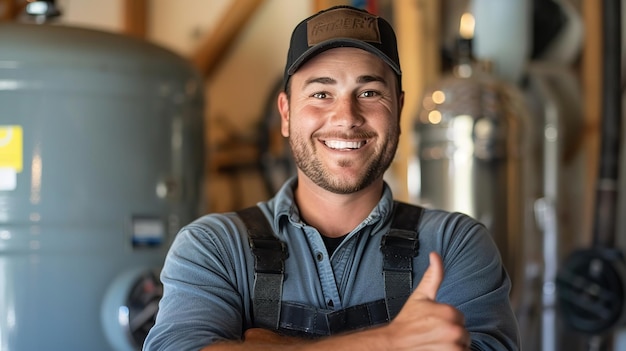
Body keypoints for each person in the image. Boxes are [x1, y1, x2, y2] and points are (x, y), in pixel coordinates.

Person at [143, 5, 520, 351]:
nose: (346, 116)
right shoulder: (214, 247)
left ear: (399, 109)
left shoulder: (456, 244)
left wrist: (278, 346)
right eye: (322, 93)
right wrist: (389, 342)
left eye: (369, 91)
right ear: (286, 114)